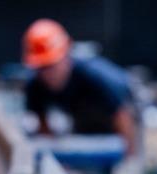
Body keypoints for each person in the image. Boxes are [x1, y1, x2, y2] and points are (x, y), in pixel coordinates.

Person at [22, 19, 138, 157]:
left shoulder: (94, 76)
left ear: (66, 54)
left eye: (52, 66)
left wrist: (128, 155)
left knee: (124, 167)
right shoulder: (35, 85)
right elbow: (43, 128)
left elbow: (122, 114)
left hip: (125, 114)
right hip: (84, 118)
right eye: (42, 68)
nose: (47, 74)